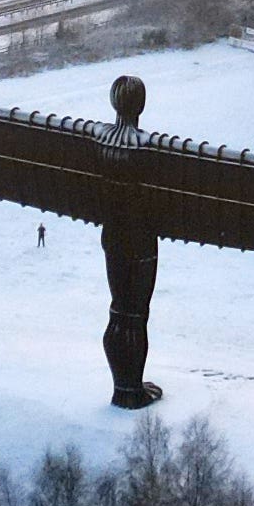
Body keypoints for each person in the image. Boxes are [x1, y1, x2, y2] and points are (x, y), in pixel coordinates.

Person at [97, 74, 162, 409]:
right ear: (141, 104)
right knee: (135, 314)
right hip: (140, 241)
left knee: (118, 308)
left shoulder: (98, 138)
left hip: (113, 237)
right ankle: (129, 389)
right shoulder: (150, 148)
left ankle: (125, 384)